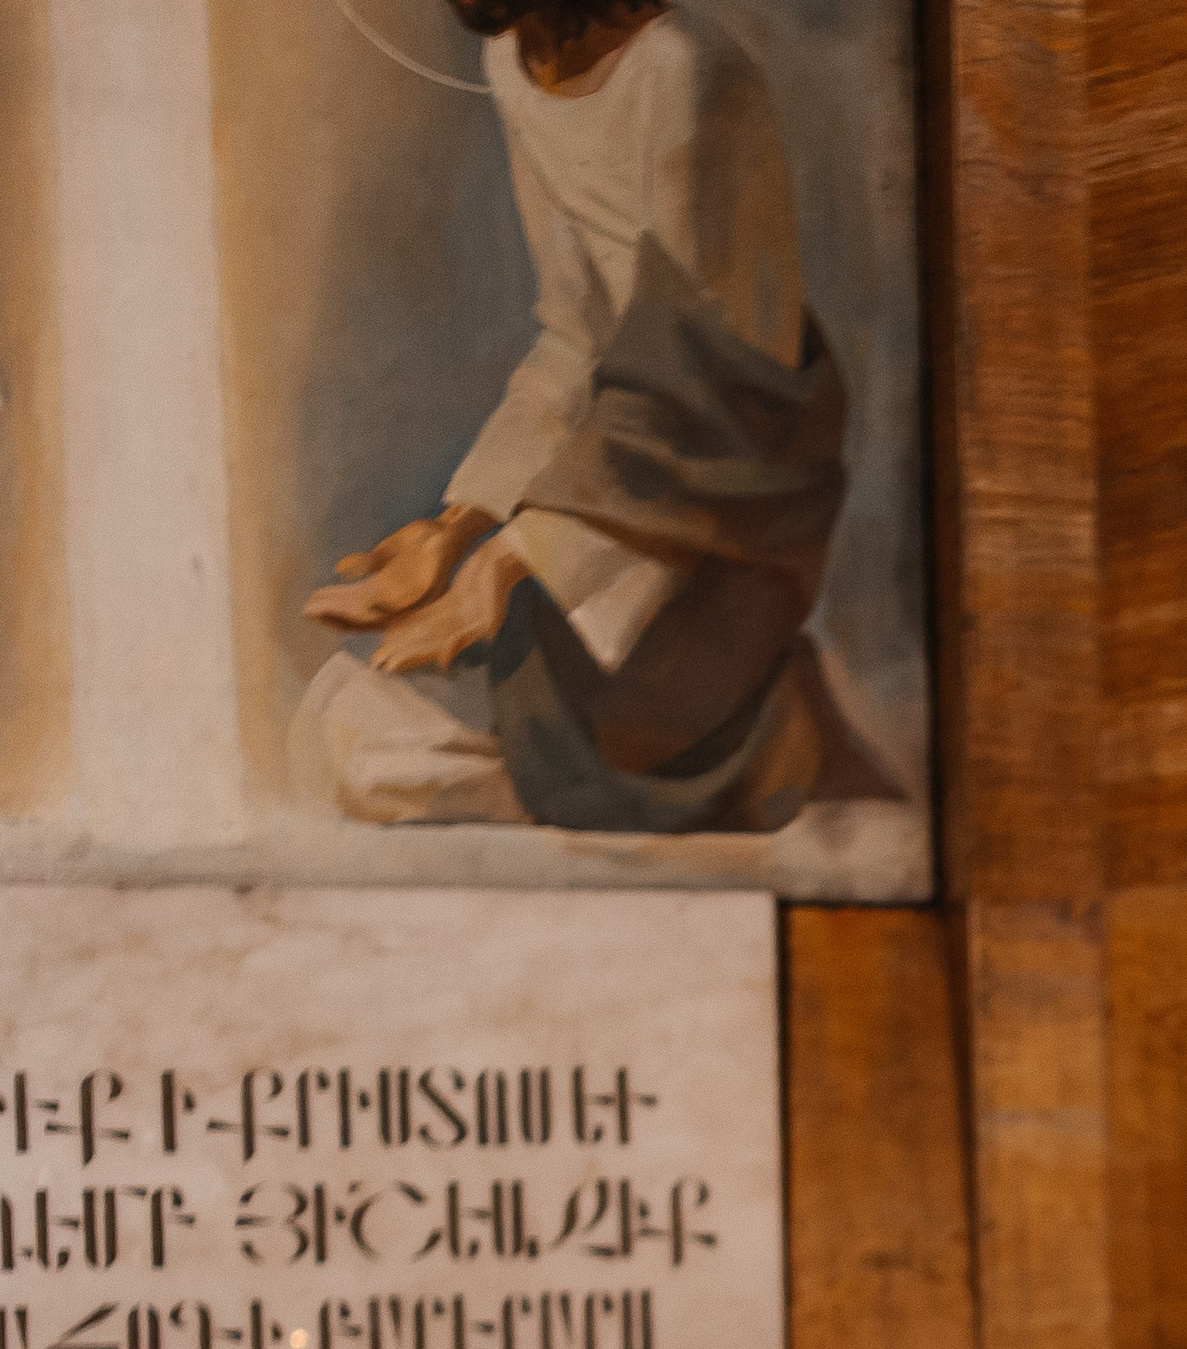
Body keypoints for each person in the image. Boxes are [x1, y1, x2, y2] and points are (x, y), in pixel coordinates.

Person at [293, 0, 888, 834]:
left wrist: (509, 563)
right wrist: (459, 530)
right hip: (608, 479)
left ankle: (769, 737)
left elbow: (709, 373)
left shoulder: (681, 70)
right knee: (357, 735)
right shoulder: (513, 66)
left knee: (594, 754)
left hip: (727, 487)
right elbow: (575, 335)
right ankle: (727, 752)